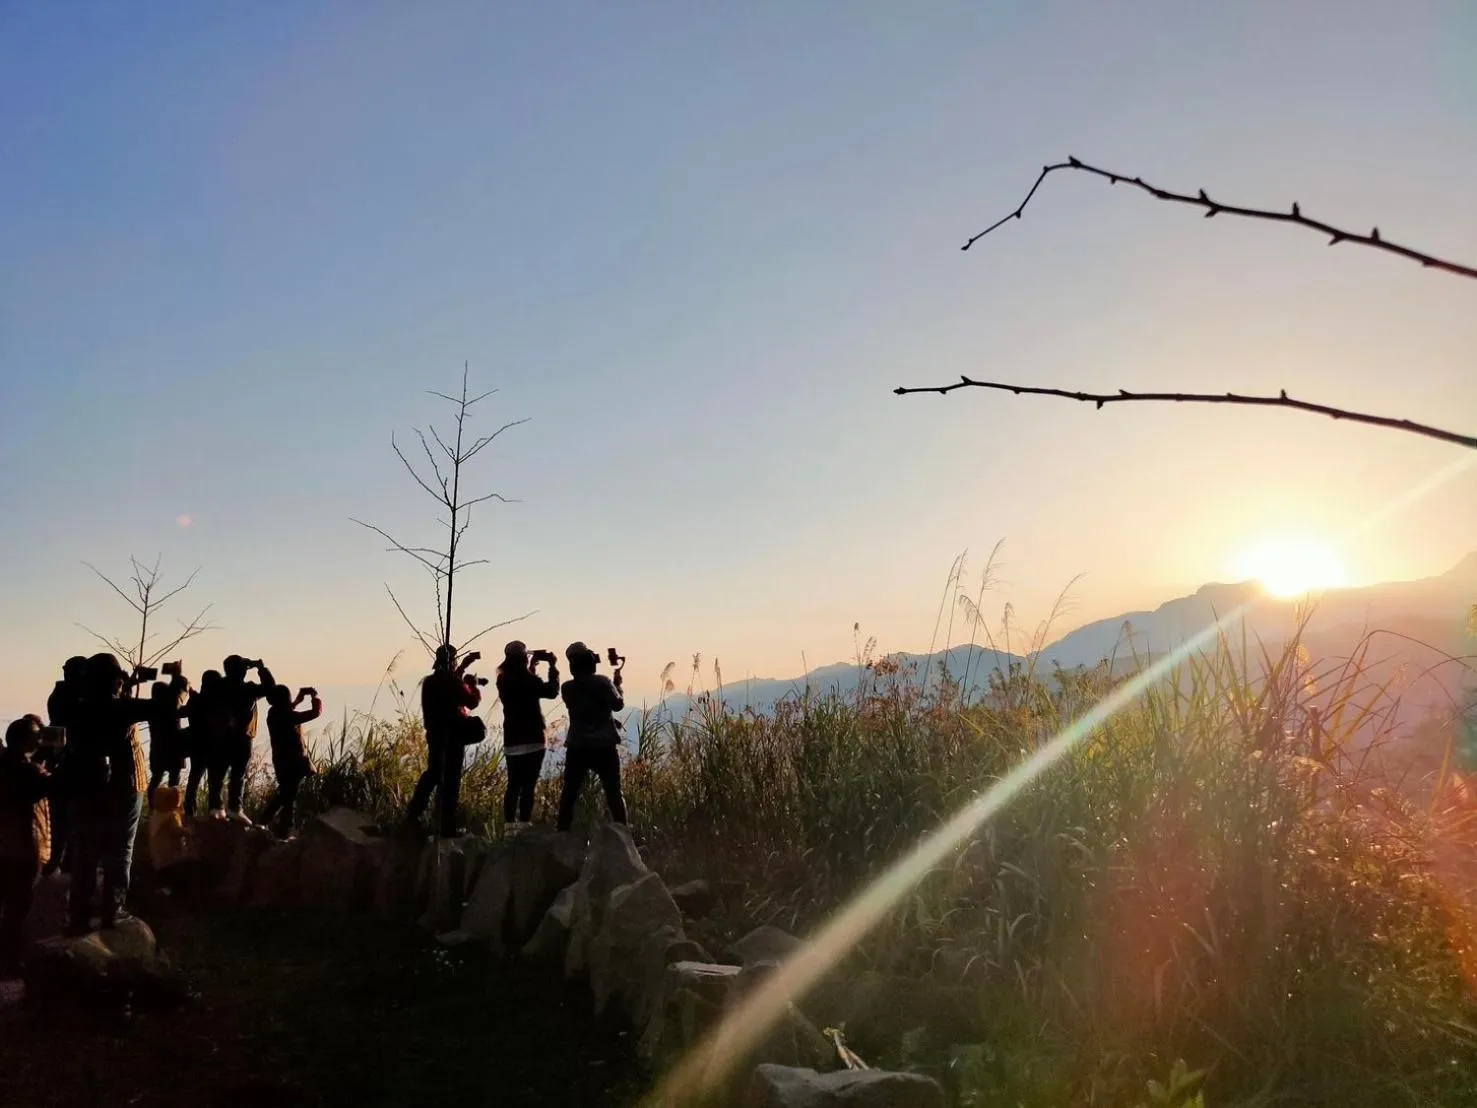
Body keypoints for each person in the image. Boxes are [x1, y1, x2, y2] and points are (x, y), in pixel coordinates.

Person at [67, 653, 153, 934]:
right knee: (120, 850)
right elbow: (163, 708)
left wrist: (124, 683)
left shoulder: (77, 708)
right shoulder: (121, 709)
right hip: (124, 783)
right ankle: (112, 910)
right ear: (115, 681)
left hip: (86, 784)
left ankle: (78, 916)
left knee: (86, 852)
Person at [406, 645, 485, 838]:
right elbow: (472, 702)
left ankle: (413, 816)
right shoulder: (452, 682)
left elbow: (450, 683)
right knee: (450, 781)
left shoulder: (430, 682)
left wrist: (463, 667)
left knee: (433, 774)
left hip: (435, 736)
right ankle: (446, 826)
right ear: (453, 661)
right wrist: (473, 686)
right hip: (453, 737)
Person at [0, 716, 53, 979]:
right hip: (24, 847)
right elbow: (55, 786)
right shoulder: (29, 771)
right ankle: (9, 962)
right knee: (17, 909)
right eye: (36, 736)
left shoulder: (5, 764)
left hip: (5, 845)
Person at [556, 642, 628, 832]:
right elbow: (618, 705)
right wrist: (617, 684)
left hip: (578, 746)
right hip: (604, 745)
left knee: (570, 793)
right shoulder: (604, 683)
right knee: (613, 792)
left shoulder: (567, 688)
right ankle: (623, 832)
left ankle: (562, 832)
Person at [496, 642, 559, 832]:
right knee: (529, 784)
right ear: (524, 658)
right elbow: (551, 691)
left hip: (512, 740)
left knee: (513, 784)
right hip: (533, 740)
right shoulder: (530, 681)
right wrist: (552, 666)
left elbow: (523, 684)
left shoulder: (503, 680)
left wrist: (531, 667)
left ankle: (508, 826)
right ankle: (523, 824)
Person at [210, 655, 275, 822]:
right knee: (238, 774)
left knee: (218, 772)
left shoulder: (218, 686)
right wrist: (260, 668)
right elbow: (270, 688)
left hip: (220, 736)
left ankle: (215, 807)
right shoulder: (249, 689)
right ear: (242, 672)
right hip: (242, 737)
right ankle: (234, 808)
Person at [41, 657, 86, 876]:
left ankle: (57, 861)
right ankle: (63, 862)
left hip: (61, 764)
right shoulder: (73, 699)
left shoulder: (58, 696)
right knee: (69, 820)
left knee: (61, 820)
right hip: (72, 767)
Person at [260, 685, 323, 839]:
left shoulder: (274, 714)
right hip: (293, 762)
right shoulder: (286, 715)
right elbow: (315, 713)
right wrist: (315, 697)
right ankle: (281, 830)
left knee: (286, 794)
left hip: (281, 761)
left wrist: (297, 700)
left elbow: (288, 710)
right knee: (288, 797)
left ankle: (270, 823)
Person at [183, 670, 224, 817]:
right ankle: (214, 811)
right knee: (215, 781)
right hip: (214, 746)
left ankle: (189, 812)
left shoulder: (195, 700)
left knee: (194, 779)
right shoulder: (218, 701)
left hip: (196, 745)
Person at [146, 672, 190, 807]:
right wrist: (176, 678)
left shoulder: (151, 708)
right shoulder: (172, 706)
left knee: (156, 778)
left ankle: (153, 807)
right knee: (173, 782)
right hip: (174, 749)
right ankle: (172, 808)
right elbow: (180, 697)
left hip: (157, 749)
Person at [147, 784, 193, 895]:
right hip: (170, 856)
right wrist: (188, 832)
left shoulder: (155, 815)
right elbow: (176, 831)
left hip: (158, 856)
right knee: (174, 874)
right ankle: (171, 893)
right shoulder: (171, 816)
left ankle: (160, 890)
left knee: (162, 874)